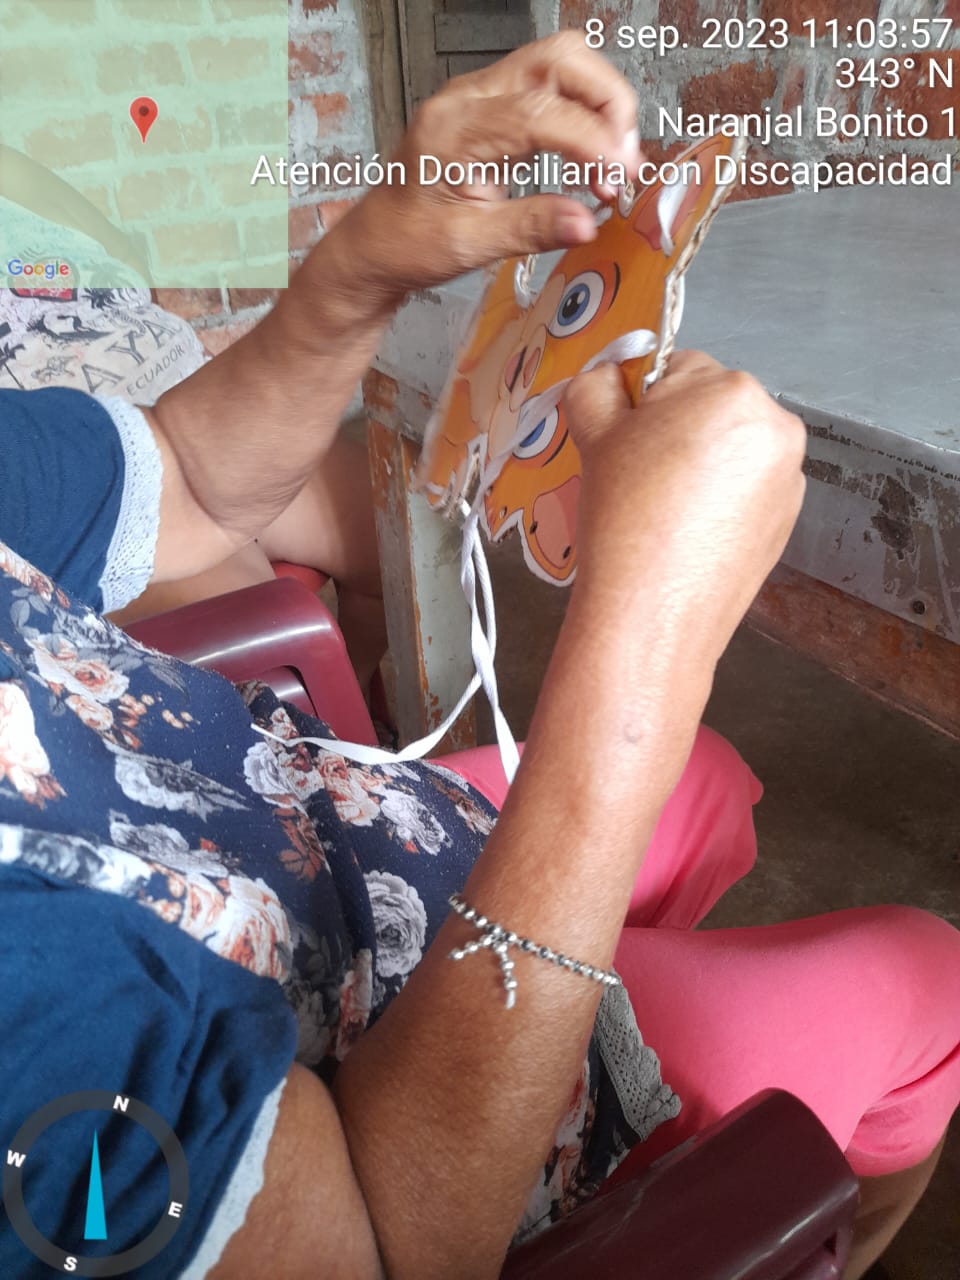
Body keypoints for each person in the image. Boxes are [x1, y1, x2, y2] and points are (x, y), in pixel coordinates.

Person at [0, 34, 957, 1280]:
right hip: (429, 1134)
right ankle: (679, 1152)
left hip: (328, 840)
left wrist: (354, 273)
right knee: (933, 978)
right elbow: (389, 1249)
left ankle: (604, 975)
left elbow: (179, 477)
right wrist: (644, 644)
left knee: (710, 783)